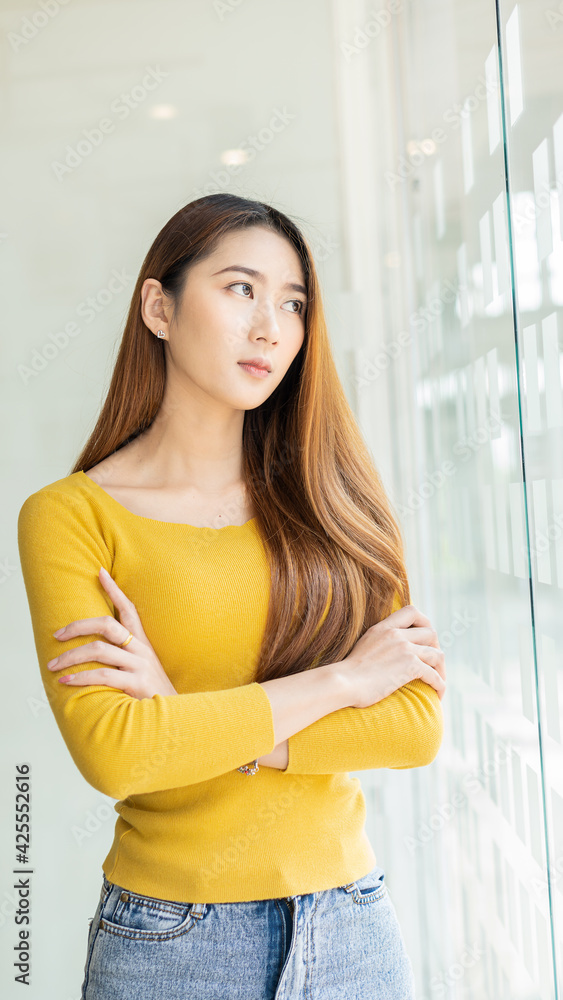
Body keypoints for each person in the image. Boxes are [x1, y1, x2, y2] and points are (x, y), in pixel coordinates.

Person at [18, 192, 446, 999]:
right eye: (240, 289)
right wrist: (341, 683)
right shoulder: (69, 517)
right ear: (158, 306)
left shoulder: (333, 499)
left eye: (292, 303)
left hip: (349, 926)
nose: (270, 328)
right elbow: (119, 752)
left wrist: (183, 712)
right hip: (170, 942)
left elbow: (415, 725)